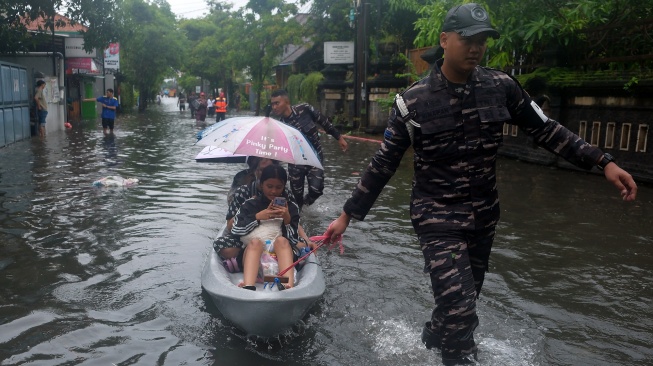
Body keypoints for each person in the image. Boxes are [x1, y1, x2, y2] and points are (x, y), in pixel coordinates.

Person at [324, 3, 638, 365]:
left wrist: (603, 161)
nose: (476, 47)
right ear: (444, 40)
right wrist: (347, 215)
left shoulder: (501, 87)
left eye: (483, 40)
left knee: (460, 303)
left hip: (483, 217)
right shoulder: (412, 102)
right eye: (467, 38)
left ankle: (429, 341)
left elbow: (546, 130)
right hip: (436, 218)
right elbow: (384, 163)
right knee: (461, 311)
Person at [270, 89, 349, 210]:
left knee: (317, 190)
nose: (274, 107)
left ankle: (305, 207)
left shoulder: (305, 109)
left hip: (314, 158)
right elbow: (279, 150)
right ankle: (298, 216)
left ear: (286, 101)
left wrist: (339, 138)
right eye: (272, 104)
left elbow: (324, 122)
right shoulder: (280, 126)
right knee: (297, 196)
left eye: (277, 103)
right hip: (296, 163)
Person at [231, 164, 301, 290]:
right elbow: (235, 230)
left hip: (279, 260)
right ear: (261, 184)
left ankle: (287, 285)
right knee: (255, 243)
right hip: (253, 259)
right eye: (269, 186)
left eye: (278, 187)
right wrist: (257, 217)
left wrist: (287, 220)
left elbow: (294, 241)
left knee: (282, 241)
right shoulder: (250, 205)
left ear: (284, 186)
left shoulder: (291, 207)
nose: (274, 191)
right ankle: (248, 285)